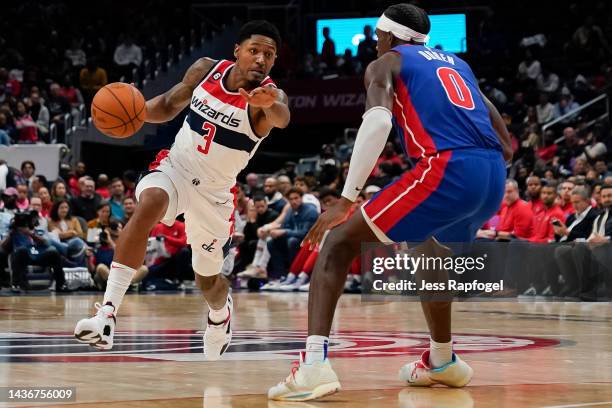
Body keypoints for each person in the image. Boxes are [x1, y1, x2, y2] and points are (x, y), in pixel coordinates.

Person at [268, 4, 511, 401]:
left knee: (338, 242)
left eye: (377, 36)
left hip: (446, 167)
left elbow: (378, 122)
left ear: (385, 35)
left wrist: (346, 199)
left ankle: (313, 365)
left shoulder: (386, 63)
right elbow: (505, 143)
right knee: (430, 253)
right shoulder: (458, 65)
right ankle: (443, 360)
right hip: (491, 175)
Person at [74, 21, 290, 361]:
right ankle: (106, 315)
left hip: (215, 195)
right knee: (149, 204)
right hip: (176, 167)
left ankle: (220, 316)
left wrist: (271, 102)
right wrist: (134, 111)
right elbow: (169, 103)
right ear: (237, 51)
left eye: (269, 55)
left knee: (207, 281)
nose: (261, 59)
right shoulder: (206, 70)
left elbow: (282, 117)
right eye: (254, 50)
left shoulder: (268, 98)